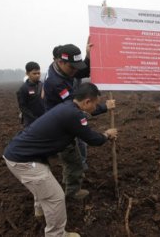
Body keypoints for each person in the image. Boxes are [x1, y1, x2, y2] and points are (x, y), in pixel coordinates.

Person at [3, 82, 118, 237]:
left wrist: (104, 108)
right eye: (96, 104)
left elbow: (84, 119)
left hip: (22, 154)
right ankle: (56, 234)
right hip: (24, 161)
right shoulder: (74, 115)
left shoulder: (68, 106)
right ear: (87, 102)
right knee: (55, 197)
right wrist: (107, 134)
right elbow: (92, 139)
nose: (95, 108)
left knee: (43, 185)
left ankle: (40, 211)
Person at [43, 43, 115, 199]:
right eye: (72, 68)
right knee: (73, 159)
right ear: (60, 62)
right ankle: (72, 192)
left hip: (62, 119)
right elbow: (81, 107)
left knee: (75, 154)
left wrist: (88, 56)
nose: (75, 71)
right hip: (60, 126)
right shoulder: (57, 83)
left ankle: (72, 177)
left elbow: (82, 71)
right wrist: (103, 110)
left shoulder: (60, 68)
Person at [16, 61, 45, 127]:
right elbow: (23, 107)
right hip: (31, 122)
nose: (37, 75)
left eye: (39, 73)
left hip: (44, 119)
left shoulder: (44, 85)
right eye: (34, 73)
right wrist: (34, 119)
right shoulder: (23, 89)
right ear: (27, 73)